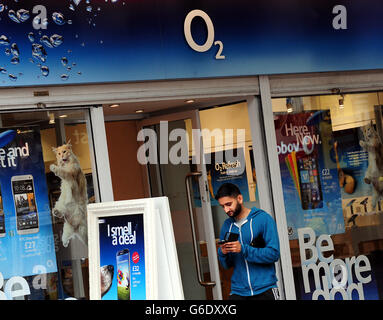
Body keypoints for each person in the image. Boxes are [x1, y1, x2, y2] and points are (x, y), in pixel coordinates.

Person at [215, 182, 280, 300]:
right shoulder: (227, 226)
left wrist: (243, 249)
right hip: (238, 292)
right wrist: (223, 253)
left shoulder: (263, 219)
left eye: (228, 204)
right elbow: (226, 265)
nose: (226, 210)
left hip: (265, 289)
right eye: (223, 206)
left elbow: (274, 254)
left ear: (239, 198)